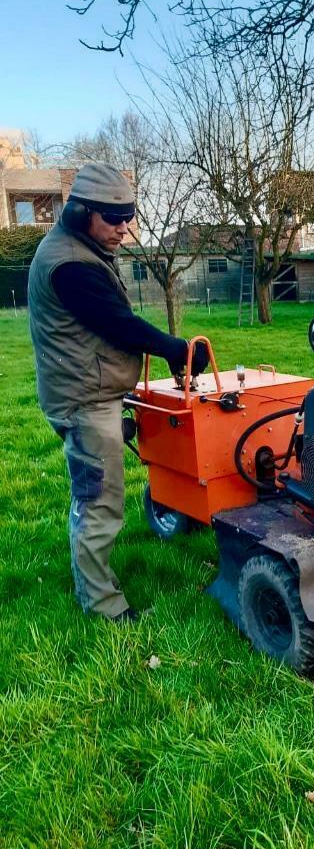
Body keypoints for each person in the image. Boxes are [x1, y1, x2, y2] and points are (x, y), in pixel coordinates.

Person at [28, 161, 209, 624]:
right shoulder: (69, 264)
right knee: (99, 500)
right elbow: (116, 323)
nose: (124, 229)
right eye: (114, 219)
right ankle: (104, 608)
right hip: (84, 401)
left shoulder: (78, 247)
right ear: (81, 212)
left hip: (92, 390)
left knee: (95, 493)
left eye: (129, 218)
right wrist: (175, 349)